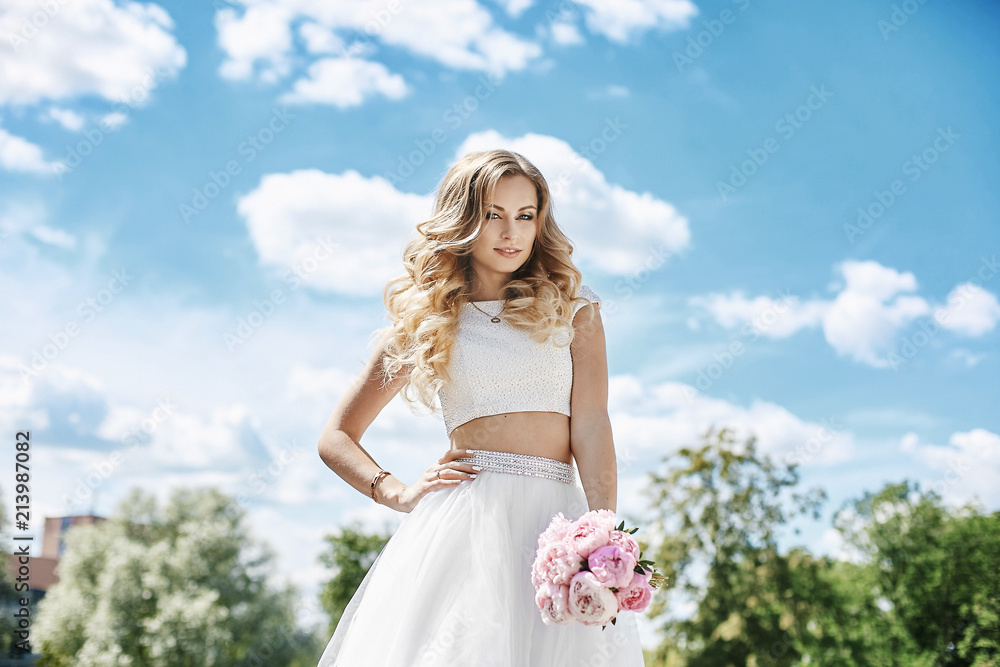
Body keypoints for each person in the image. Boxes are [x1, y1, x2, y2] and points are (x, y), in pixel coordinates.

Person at [316, 149, 646, 666]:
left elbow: (591, 425)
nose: (510, 232)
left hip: (555, 527)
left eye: (525, 215)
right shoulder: (427, 323)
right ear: (464, 219)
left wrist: (602, 533)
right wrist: (396, 492)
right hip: (464, 524)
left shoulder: (575, 313)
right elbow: (336, 437)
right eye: (493, 214)